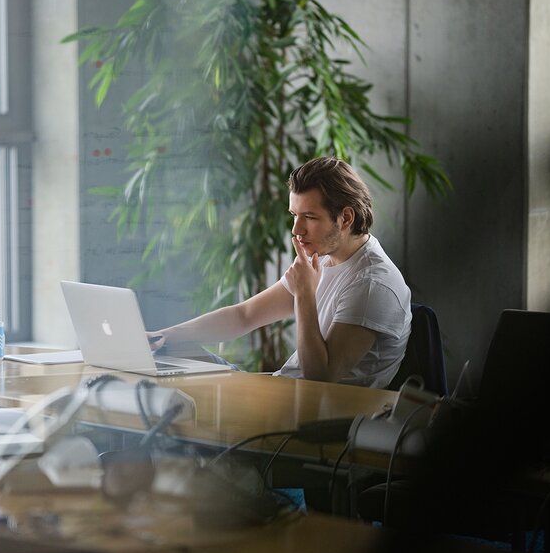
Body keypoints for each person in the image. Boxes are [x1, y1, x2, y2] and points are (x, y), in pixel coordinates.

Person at [148, 156, 412, 388]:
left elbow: (320, 379)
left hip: (311, 422)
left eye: (309, 217)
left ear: (345, 218)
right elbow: (244, 316)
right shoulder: (324, 261)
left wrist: (305, 293)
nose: (297, 230)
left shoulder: (371, 285)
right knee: (168, 349)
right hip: (282, 393)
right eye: (294, 215)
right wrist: (160, 337)